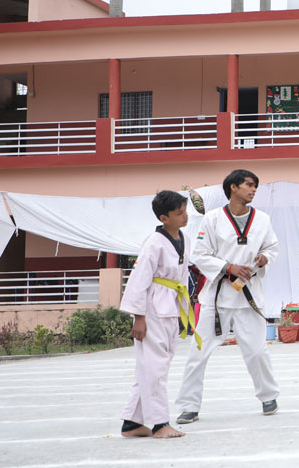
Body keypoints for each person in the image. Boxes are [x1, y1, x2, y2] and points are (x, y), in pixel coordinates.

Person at [176, 169, 281, 424]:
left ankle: (268, 395)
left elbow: (272, 246)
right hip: (216, 298)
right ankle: (189, 405)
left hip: (248, 294)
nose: (253, 189)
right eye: (249, 185)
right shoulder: (212, 219)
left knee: (257, 351)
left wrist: (264, 257)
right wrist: (228, 267)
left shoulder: (263, 219)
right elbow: (200, 254)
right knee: (197, 353)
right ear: (233, 187)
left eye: (255, 185)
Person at [119, 190, 194, 439]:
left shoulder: (184, 238)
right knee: (155, 367)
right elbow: (139, 280)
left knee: (155, 365)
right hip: (151, 308)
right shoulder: (153, 242)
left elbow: (182, 277)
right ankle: (160, 424)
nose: (184, 216)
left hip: (170, 305)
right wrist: (138, 317)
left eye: (185, 211)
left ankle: (132, 422)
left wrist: (184, 311)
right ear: (164, 217)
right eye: (178, 213)